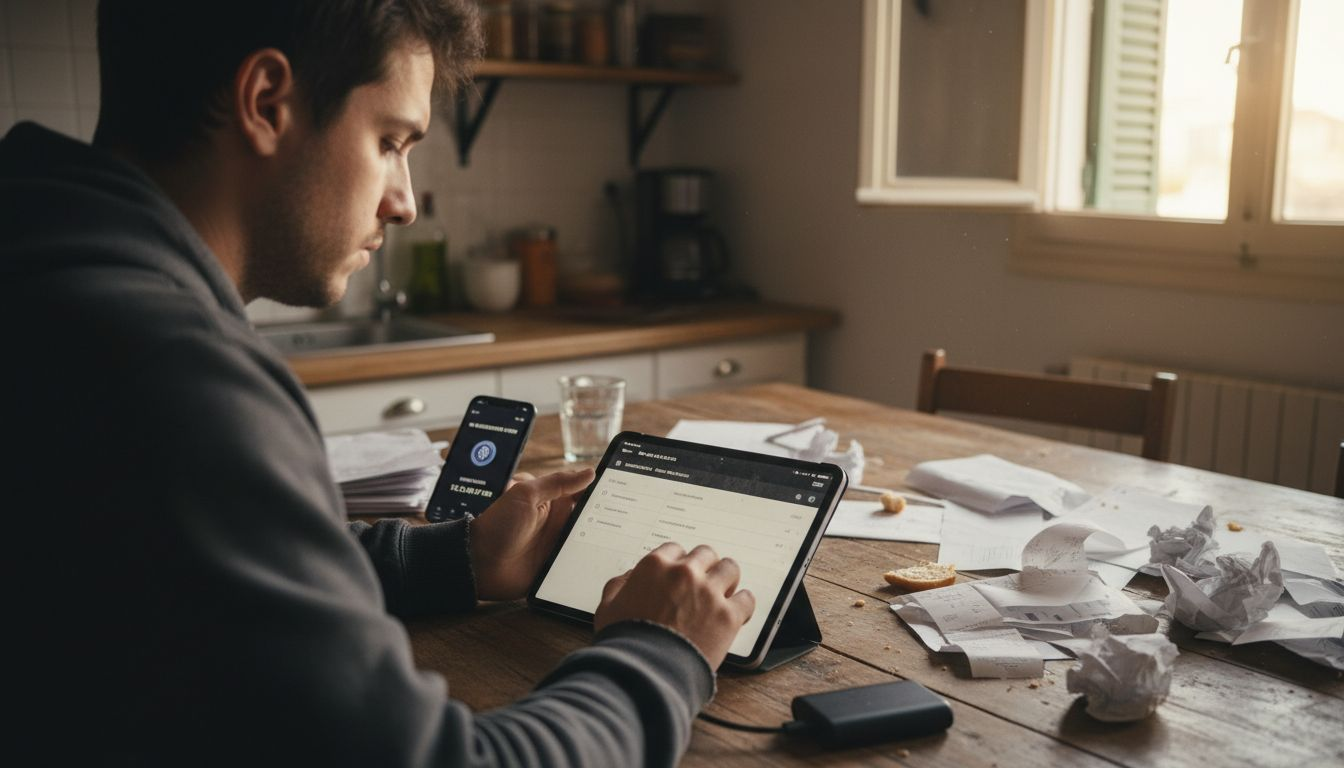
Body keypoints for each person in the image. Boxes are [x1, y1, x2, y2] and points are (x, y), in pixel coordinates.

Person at [0, 1, 755, 765]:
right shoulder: (173, 379)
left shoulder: (43, 267)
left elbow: (189, 571)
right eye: (391, 142)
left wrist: (455, 559)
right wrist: (660, 648)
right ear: (266, 102)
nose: (405, 202)